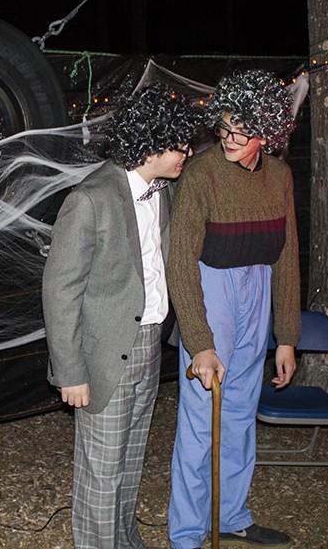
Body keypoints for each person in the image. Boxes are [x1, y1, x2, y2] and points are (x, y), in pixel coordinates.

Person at [43, 82, 203, 549]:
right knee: (101, 472)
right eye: (179, 145)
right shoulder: (90, 199)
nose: (187, 154)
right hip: (103, 355)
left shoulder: (162, 191)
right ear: (151, 143)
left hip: (149, 342)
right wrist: (69, 372)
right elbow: (59, 291)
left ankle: (126, 541)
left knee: (130, 463)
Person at [166, 69, 301, 549]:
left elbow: (286, 258)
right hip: (211, 291)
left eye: (240, 132)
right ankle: (186, 534)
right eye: (223, 127)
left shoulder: (280, 177)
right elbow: (179, 262)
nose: (227, 138)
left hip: (258, 289)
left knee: (241, 416)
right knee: (202, 419)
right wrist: (199, 343)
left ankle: (231, 515)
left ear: (265, 132)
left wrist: (286, 337)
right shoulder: (202, 174)